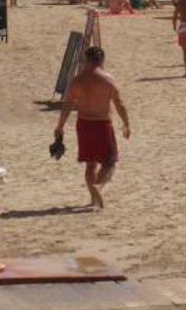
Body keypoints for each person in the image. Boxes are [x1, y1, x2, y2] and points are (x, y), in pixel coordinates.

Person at [54, 46, 130, 210]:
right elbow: (119, 103)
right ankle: (98, 187)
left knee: (90, 165)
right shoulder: (108, 79)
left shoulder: (78, 80)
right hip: (102, 124)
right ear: (101, 60)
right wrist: (126, 123)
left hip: (84, 124)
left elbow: (67, 105)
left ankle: (93, 199)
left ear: (86, 60)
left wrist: (60, 126)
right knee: (109, 163)